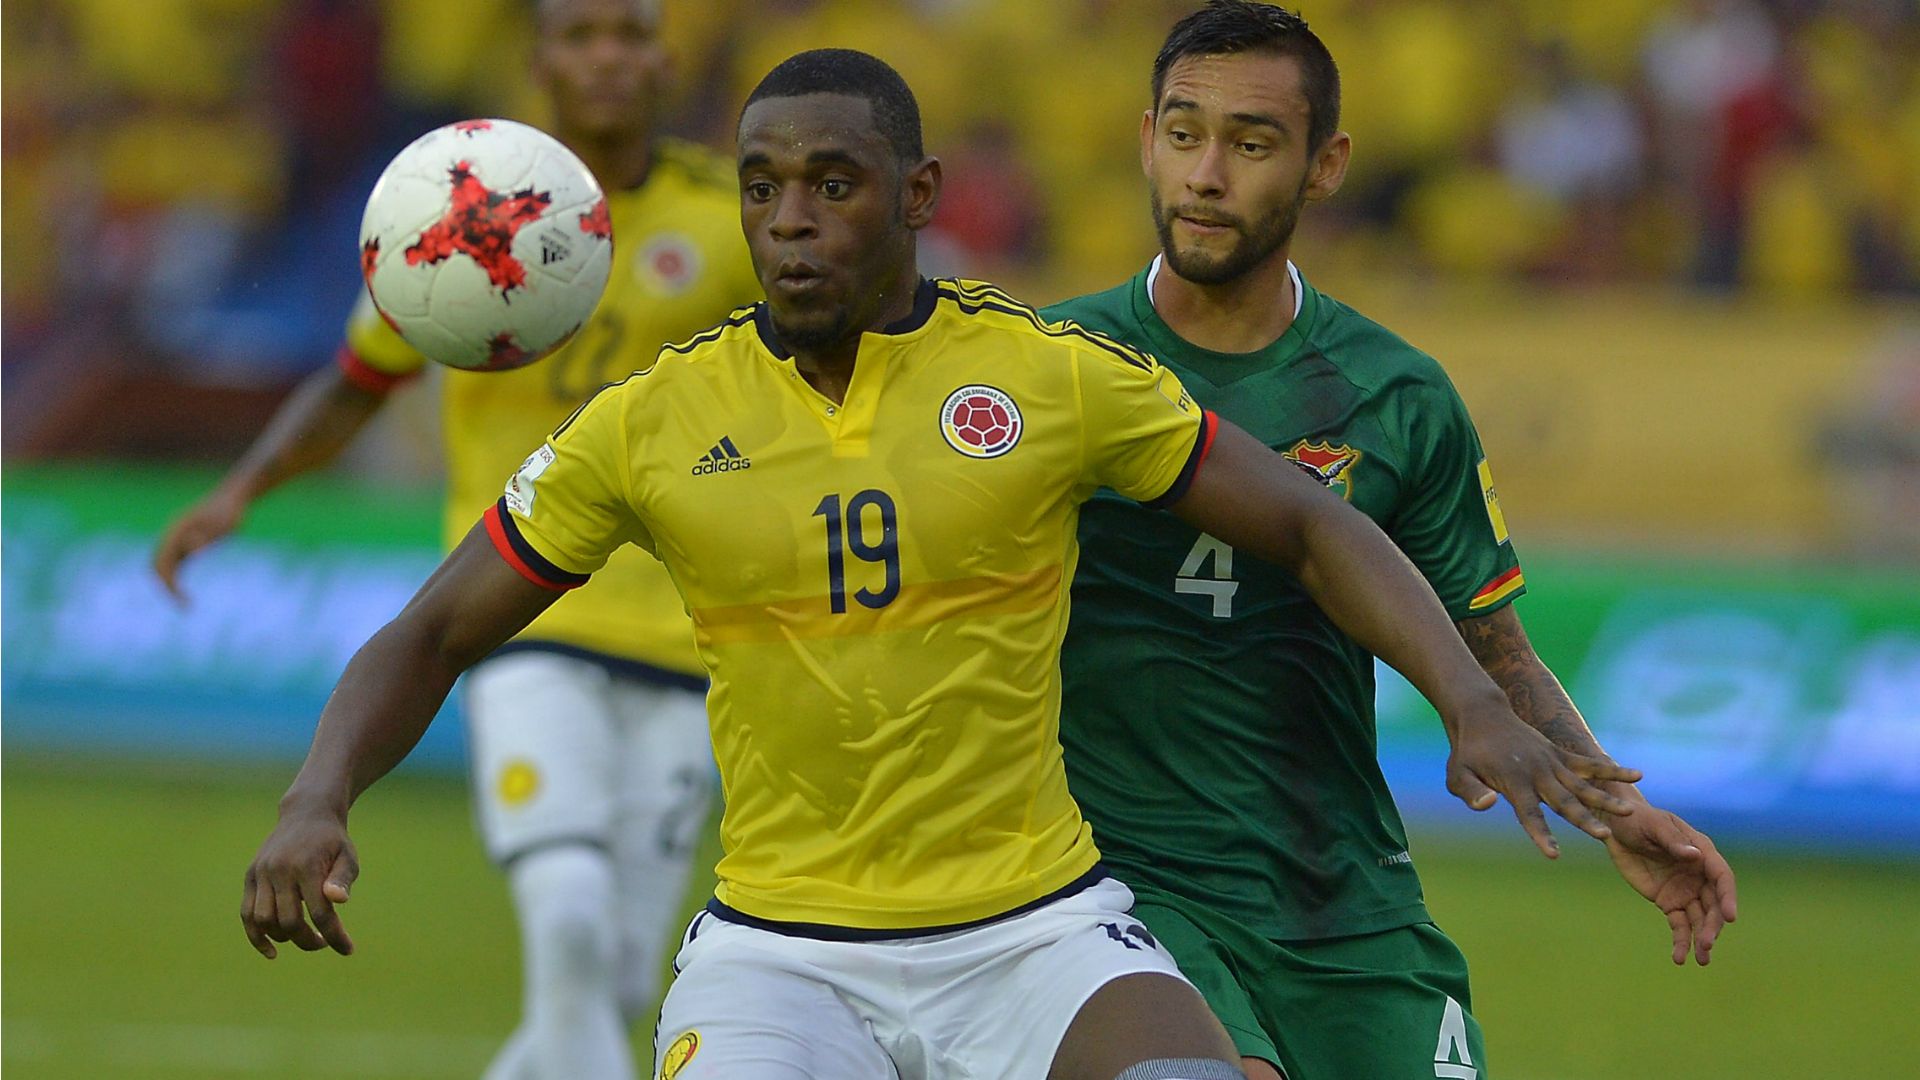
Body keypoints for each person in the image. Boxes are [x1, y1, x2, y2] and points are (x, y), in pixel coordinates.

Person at [238, 48, 1639, 1080]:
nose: (790, 219)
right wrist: (319, 796)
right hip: (778, 949)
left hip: (1038, 933)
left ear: (915, 196)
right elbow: (428, 635)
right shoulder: (651, 424)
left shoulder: (1044, 378)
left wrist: (1470, 700)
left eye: (833, 185)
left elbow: (1319, 523)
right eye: (765, 187)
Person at [1043, 5, 1742, 1079]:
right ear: (1146, 140)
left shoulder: (1397, 396)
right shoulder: (1055, 367)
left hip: (1342, 895)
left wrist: (1616, 808)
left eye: (1253, 143)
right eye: (1185, 135)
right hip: (1128, 886)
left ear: (1326, 166)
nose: (1208, 174)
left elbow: (1494, 652)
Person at [156, 3, 760, 1077]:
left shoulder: (731, 222)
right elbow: (353, 385)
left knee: (616, 977)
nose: (608, 58)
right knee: (568, 912)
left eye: (630, 34)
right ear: (540, 62)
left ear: (666, 58)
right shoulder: (462, 214)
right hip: (511, 608)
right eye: (583, 37)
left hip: (691, 635)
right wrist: (238, 491)